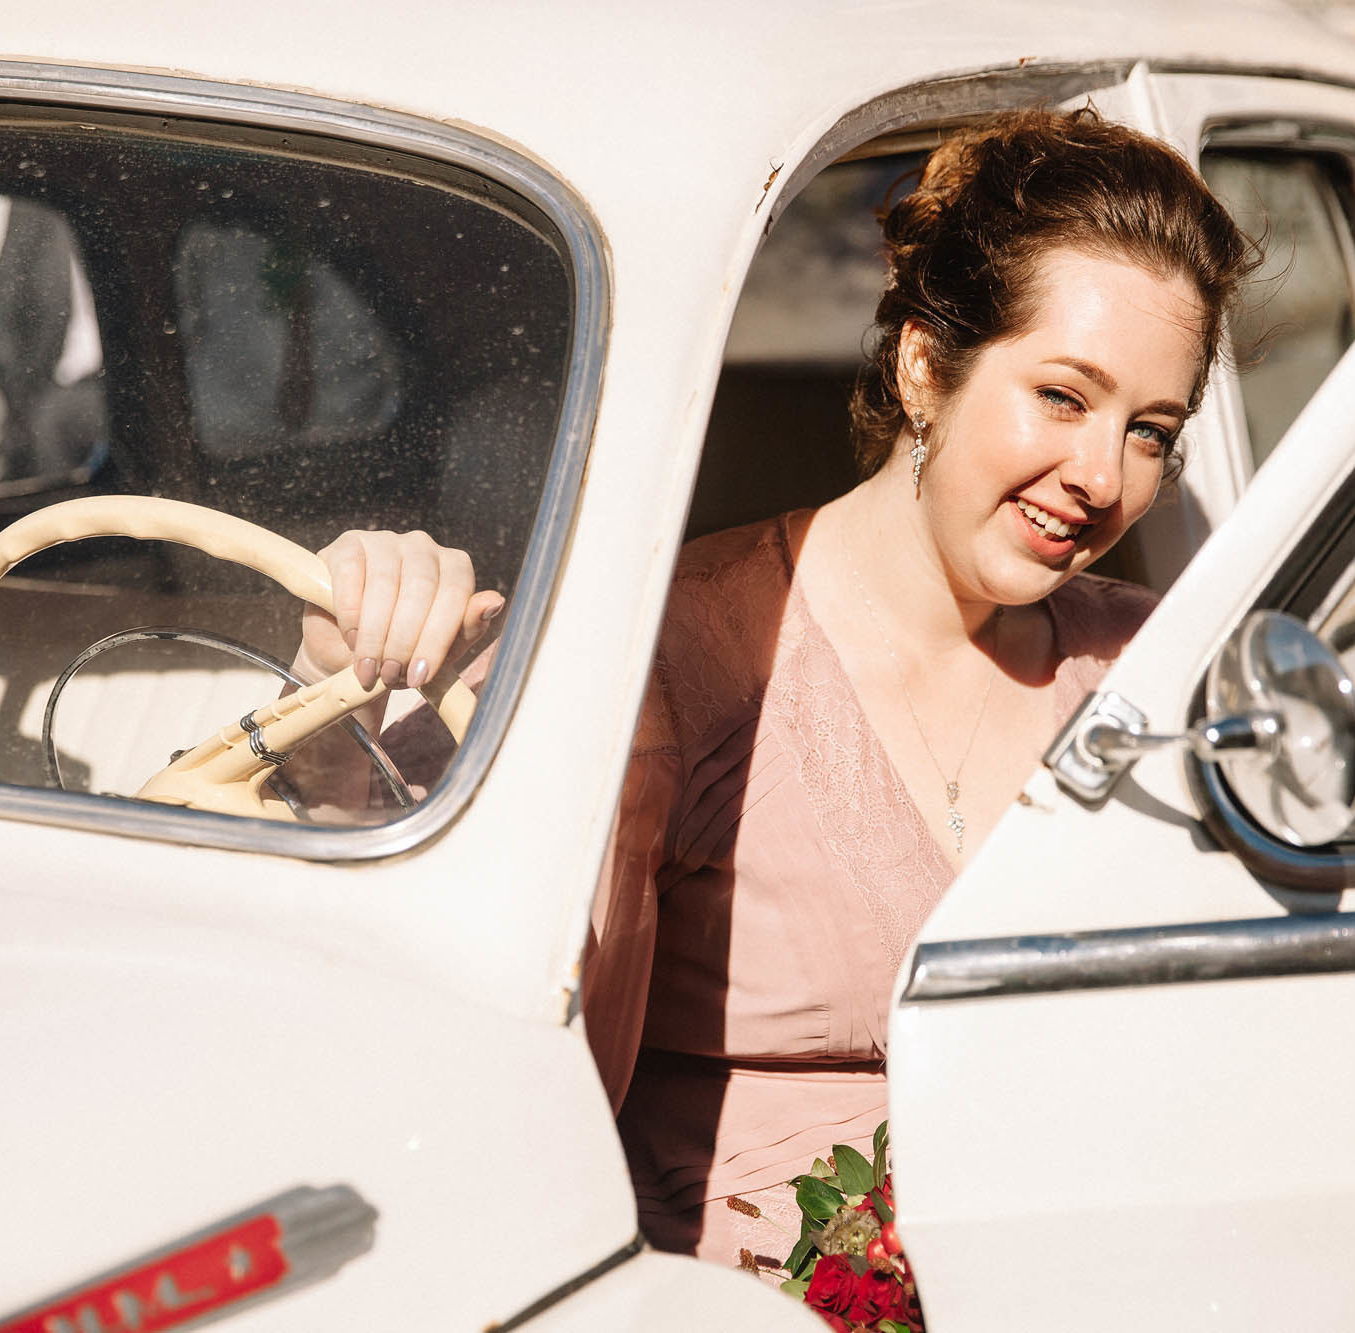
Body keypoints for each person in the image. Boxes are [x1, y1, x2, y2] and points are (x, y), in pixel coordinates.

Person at [293, 107, 1257, 1272]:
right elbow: (466, 1044)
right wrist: (339, 698)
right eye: (1061, 397)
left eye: (1148, 431)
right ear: (922, 366)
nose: (1100, 476)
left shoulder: (1156, 672)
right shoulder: (669, 661)